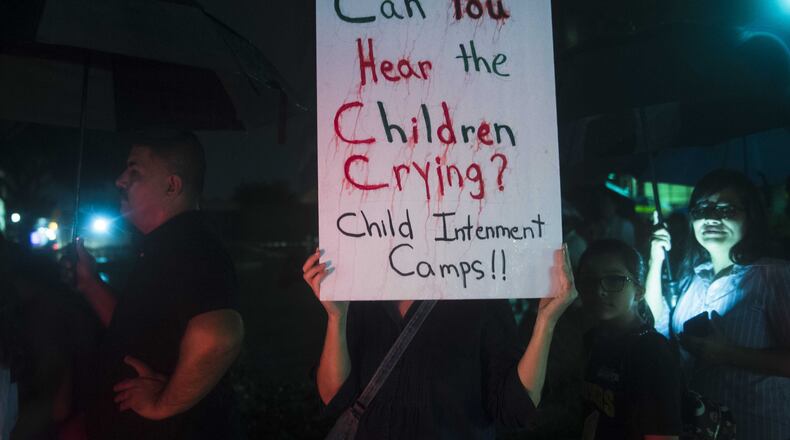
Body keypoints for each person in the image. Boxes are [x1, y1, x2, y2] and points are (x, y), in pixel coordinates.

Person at [66, 131, 245, 439]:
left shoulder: (189, 247)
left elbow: (220, 334)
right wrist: (89, 283)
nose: (120, 180)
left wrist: (163, 404)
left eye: (134, 171)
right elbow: (138, 331)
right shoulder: (164, 246)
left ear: (171, 185)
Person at [301, 245, 577, 439]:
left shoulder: (480, 295)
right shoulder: (358, 294)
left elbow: (513, 407)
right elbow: (334, 396)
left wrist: (546, 323)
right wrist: (336, 317)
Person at [646, 169, 790, 440]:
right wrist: (655, 261)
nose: (711, 216)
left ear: (750, 216)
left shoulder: (774, 276)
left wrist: (727, 354)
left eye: (726, 209)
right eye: (702, 208)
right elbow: (654, 328)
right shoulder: (692, 279)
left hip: (759, 427)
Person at [577, 240, 681, 440]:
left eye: (615, 280)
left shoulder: (651, 350)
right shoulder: (592, 340)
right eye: (589, 280)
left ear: (639, 291)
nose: (599, 290)